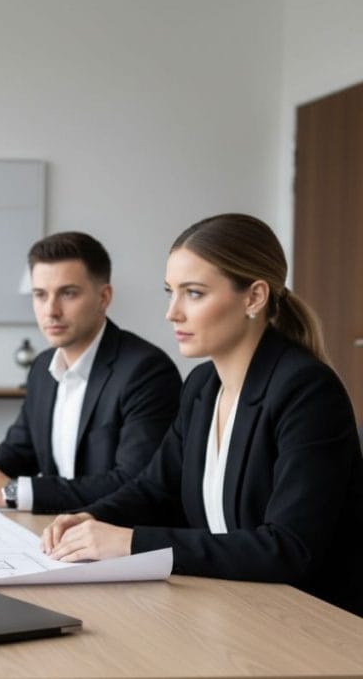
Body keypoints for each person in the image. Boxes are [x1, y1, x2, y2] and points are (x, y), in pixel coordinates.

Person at [41, 214, 363, 617]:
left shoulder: (306, 391)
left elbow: (288, 548)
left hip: (312, 620)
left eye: (193, 293)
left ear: (254, 297)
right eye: (170, 292)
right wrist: (90, 517)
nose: (172, 313)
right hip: (234, 605)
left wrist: (129, 542)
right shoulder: (202, 385)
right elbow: (154, 489)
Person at [0, 232, 181, 513]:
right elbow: (20, 450)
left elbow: (134, 484)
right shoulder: (43, 367)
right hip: (56, 528)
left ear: (103, 298)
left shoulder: (146, 372)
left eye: (68, 293)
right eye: (40, 295)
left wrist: (10, 492)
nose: (51, 311)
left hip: (114, 532)